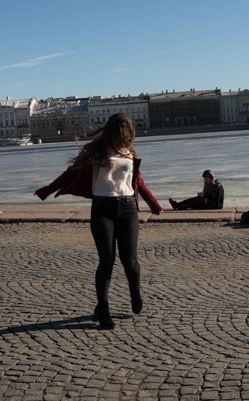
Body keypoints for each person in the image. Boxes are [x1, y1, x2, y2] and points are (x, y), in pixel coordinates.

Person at [35, 113, 164, 330]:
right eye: (124, 131)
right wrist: (47, 190)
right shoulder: (95, 151)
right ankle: (103, 309)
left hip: (128, 209)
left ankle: (134, 291)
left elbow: (137, 181)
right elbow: (70, 174)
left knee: (129, 260)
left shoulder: (130, 153)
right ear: (115, 130)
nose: (126, 135)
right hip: (102, 209)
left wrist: (153, 203)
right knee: (106, 260)